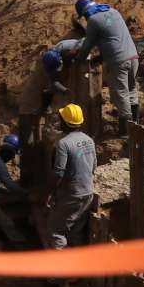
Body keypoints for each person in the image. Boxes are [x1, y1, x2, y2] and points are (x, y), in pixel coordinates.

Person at [59, 0, 140, 135]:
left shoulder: (94, 20)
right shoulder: (113, 11)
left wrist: (78, 60)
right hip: (133, 56)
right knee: (131, 90)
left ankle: (127, 132)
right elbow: (113, 38)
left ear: (84, 13)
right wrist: (101, 57)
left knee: (121, 94)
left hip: (118, 61)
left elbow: (87, 45)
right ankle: (136, 125)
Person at [45, 103, 97, 249]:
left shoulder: (63, 143)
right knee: (75, 231)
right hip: (88, 193)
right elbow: (93, 167)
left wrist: (50, 192)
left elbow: (58, 172)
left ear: (65, 122)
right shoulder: (89, 140)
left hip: (72, 195)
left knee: (55, 231)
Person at [14, 47, 69, 149]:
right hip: (28, 106)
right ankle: (30, 155)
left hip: (37, 101)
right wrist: (65, 91)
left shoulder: (47, 61)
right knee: (28, 143)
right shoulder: (46, 71)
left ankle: (36, 149)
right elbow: (54, 84)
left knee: (36, 138)